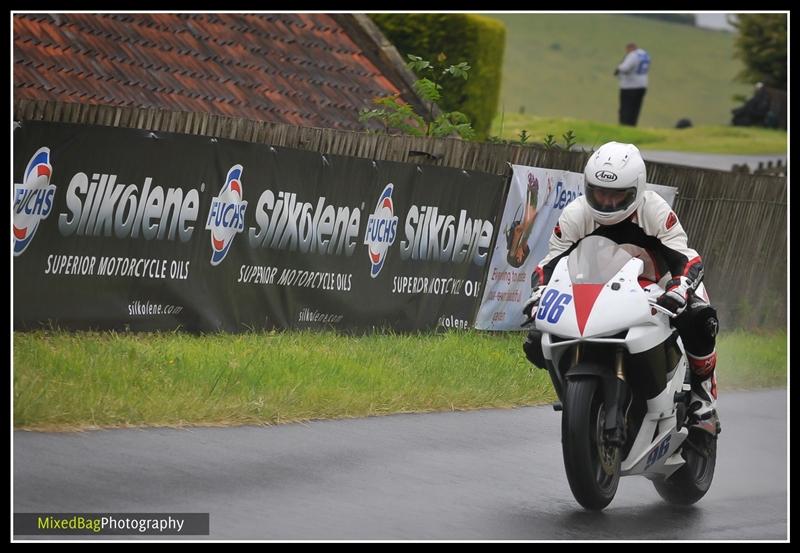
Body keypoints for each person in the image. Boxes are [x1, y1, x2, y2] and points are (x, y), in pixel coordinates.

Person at [522, 141, 720, 436]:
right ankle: (578, 396)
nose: (607, 203)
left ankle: (703, 397)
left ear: (636, 190)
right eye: (599, 193)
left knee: (700, 318)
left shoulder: (654, 210)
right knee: (536, 339)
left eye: (617, 196)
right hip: (599, 290)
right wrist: (539, 295)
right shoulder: (576, 215)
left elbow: (687, 258)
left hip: (658, 286)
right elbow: (548, 265)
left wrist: (679, 291)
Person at [506, 173, 553, 267]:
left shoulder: (513, 249)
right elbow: (525, 235)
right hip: (523, 229)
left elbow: (518, 231)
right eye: (522, 257)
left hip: (517, 226)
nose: (521, 255)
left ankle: (531, 190)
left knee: (528, 220)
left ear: (515, 256)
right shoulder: (523, 246)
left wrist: (524, 226)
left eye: (519, 257)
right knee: (531, 220)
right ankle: (534, 192)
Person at [615, 43, 650, 126]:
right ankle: (633, 125)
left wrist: (618, 69)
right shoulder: (644, 54)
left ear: (629, 49)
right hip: (642, 85)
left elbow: (625, 67)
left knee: (626, 108)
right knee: (636, 108)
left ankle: (624, 125)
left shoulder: (633, 55)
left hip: (629, 86)